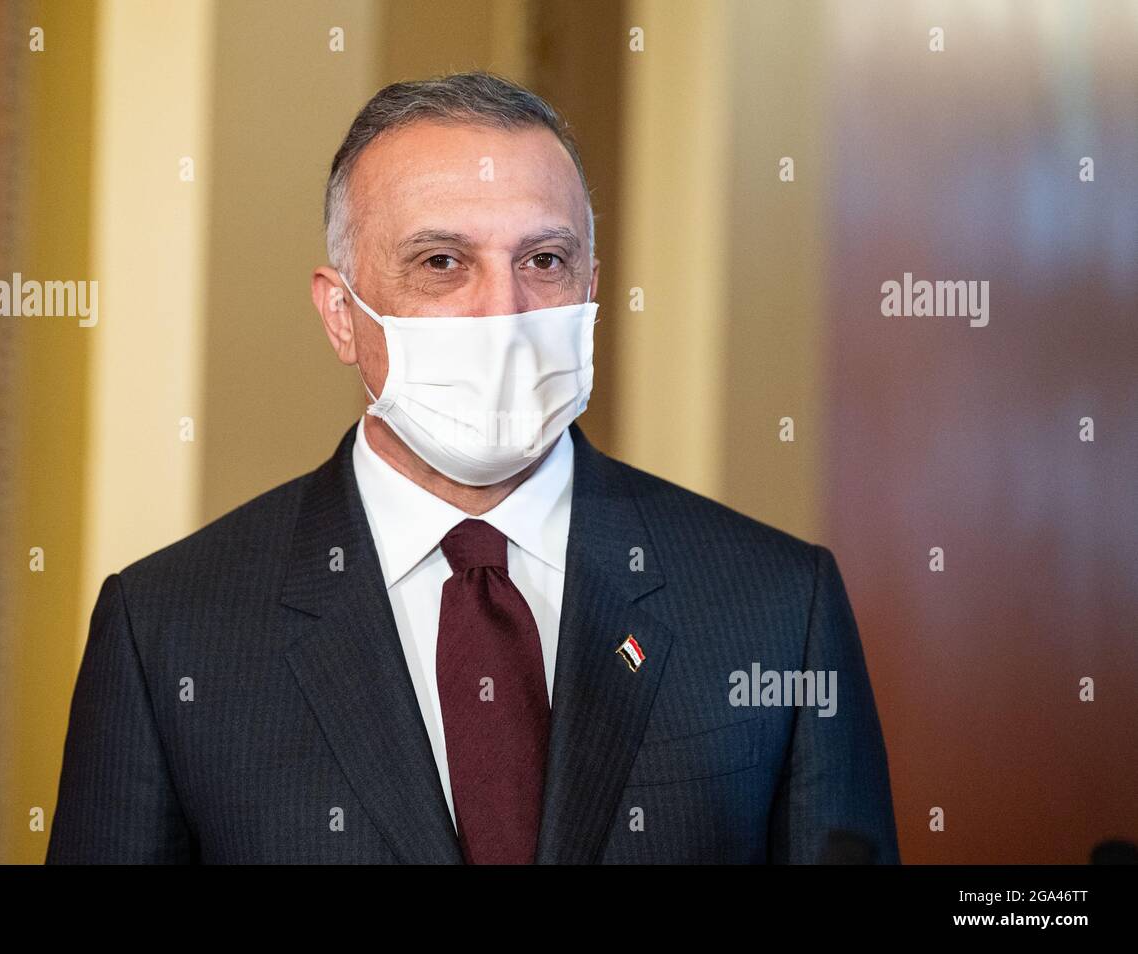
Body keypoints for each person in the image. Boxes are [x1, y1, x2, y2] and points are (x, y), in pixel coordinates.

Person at [47, 71, 900, 864]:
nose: (504, 310)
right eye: (441, 263)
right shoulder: (167, 632)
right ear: (341, 315)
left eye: (544, 261)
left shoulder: (779, 608)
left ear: (591, 289)